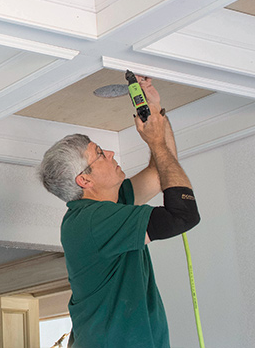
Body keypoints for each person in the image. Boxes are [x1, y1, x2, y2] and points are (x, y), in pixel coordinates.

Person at [37, 76, 200, 347]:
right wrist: (156, 142)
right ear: (84, 180)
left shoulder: (110, 207)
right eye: (99, 153)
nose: (111, 152)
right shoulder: (92, 221)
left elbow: (161, 174)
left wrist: (156, 114)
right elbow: (183, 215)